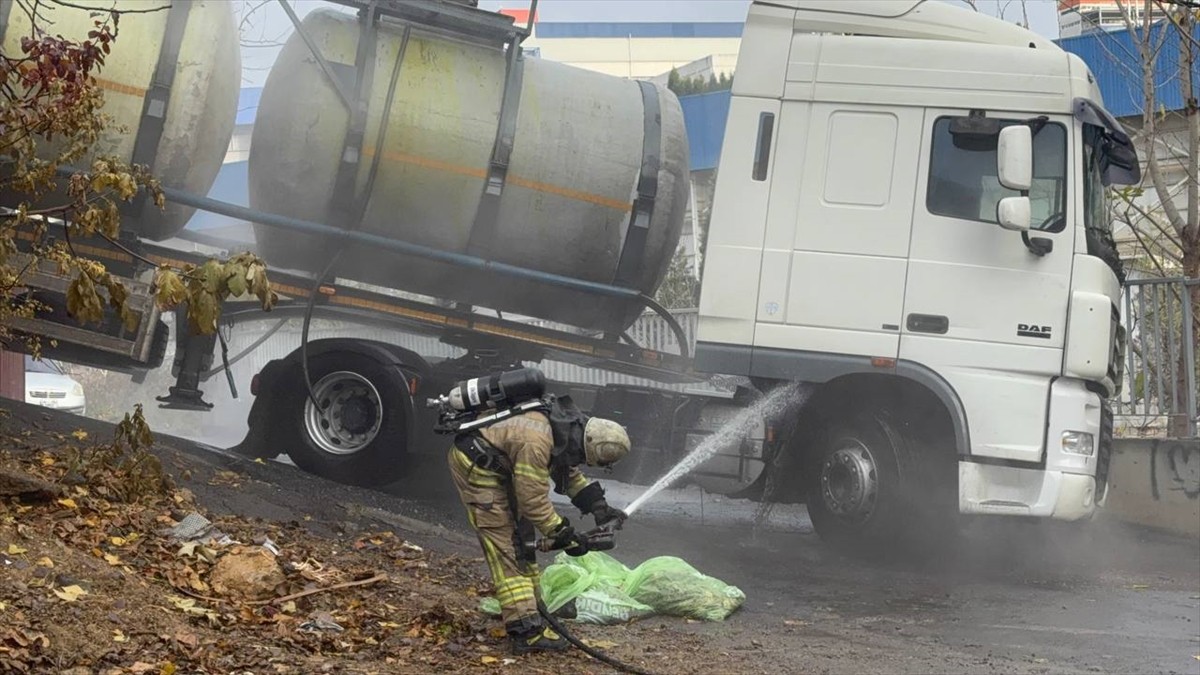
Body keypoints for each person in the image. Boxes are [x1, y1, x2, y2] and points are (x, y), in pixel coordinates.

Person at [447, 400, 630, 655]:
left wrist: (597, 505)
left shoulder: (566, 427)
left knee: (522, 538)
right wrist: (562, 533)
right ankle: (525, 632)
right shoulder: (536, 443)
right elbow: (533, 502)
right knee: (506, 547)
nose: (582, 463)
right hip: (479, 469)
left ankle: (531, 610)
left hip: (502, 466)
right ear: (589, 443)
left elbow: (567, 472)